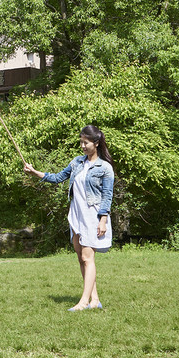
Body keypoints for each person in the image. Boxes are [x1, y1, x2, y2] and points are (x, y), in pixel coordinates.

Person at [23, 125, 114, 311]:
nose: (82, 146)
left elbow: (107, 195)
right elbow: (57, 178)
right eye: (81, 142)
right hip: (76, 214)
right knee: (81, 258)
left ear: (96, 143)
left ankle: (83, 302)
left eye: (86, 142)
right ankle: (94, 300)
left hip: (92, 216)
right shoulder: (77, 163)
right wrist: (34, 172)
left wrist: (103, 220)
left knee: (89, 258)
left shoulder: (105, 168)